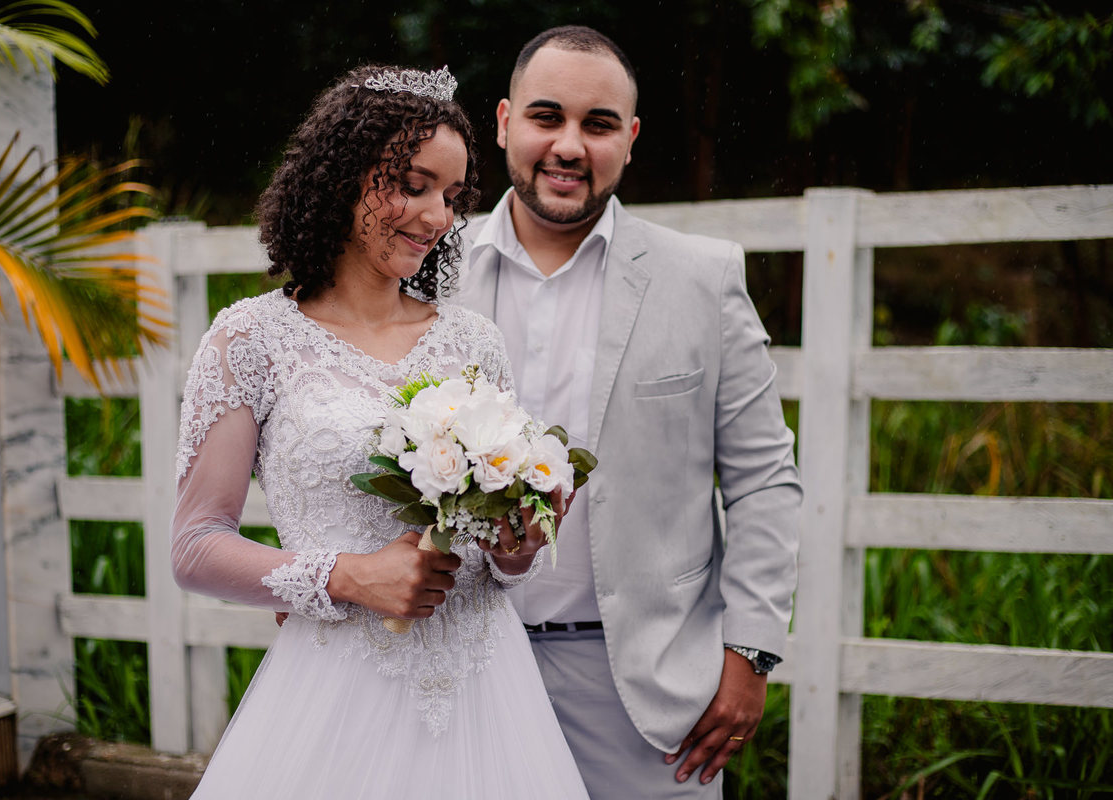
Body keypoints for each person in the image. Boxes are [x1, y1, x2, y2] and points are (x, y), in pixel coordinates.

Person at [170, 64, 589, 799]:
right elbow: (195, 546)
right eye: (413, 183)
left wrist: (521, 539)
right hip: (334, 696)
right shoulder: (252, 340)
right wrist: (349, 576)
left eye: (453, 198)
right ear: (340, 177)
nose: (437, 217)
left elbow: (498, 563)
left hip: (487, 694)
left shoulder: (474, 342)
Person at [454, 26, 802, 798]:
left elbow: (765, 481)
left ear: (631, 139)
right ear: (506, 122)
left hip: (644, 692)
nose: (569, 146)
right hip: (459, 667)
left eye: (598, 124)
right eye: (548, 118)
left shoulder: (703, 279)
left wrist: (751, 654)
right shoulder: (428, 273)